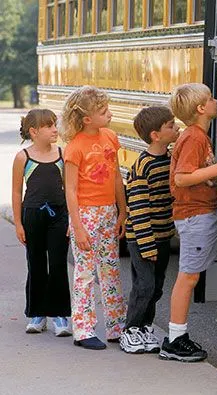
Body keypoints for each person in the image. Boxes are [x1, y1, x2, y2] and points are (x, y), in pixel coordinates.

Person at [159, 83, 217, 362]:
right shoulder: (194, 138)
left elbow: (203, 180)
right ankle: (174, 338)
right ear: (201, 108)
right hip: (195, 216)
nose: (216, 100)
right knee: (188, 276)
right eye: (210, 98)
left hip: (207, 209)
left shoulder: (198, 135)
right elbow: (182, 178)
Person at [61, 86, 127, 350]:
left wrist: (122, 211)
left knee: (111, 269)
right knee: (85, 272)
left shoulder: (110, 137)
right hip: (85, 214)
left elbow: (117, 177)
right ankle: (83, 328)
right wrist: (77, 226)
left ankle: (116, 326)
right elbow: (71, 190)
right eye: (103, 111)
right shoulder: (75, 148)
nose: (109, 114)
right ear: (87, 119)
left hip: (109, 210)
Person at [119, 106, 180, 354]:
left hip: (163, 235)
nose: (176, 129)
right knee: (143, 285)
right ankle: (130, 330)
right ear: (156, 134)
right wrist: (147, 244)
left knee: (156, 286)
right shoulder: (143, 165)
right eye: (171, 126)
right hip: (142, 238)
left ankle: (145, 326)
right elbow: (139, 207)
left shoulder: (170, 160)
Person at [11, 109, 71, 337]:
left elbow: (69, 190)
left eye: (55, 124)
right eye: (49, 126)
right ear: (34, 132)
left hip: (58, 216)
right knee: (35, 264)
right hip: (32, 216)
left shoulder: (62, 155)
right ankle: (37, 313)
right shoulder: (23, 157)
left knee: (57, 264)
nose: (55, 129)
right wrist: (18, 223)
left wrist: (70, 220)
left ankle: (60, 315)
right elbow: (16, 192)